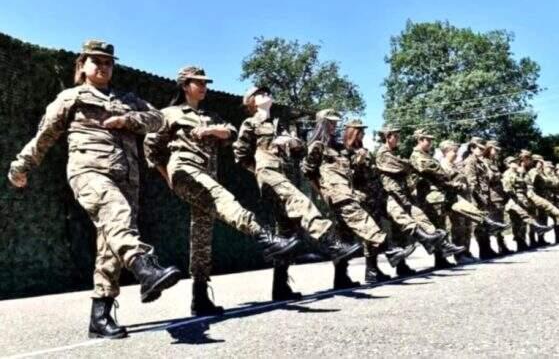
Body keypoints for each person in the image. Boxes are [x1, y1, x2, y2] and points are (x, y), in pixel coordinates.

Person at [8, 40, 181, 339]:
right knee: (117, 214)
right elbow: (44, 135)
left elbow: (160, 119)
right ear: (82, 65)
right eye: (96, 61)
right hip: (88, 172)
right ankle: (145, 266)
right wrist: (20, 167)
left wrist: (129, 119)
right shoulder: (71, 97)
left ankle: (99, 317)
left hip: (127, 179)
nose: (103, 66)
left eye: (108, 62)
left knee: (110, 242)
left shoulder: (127, 99)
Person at [144, 67, 300, 316]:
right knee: (224, 199)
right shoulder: (169, 114)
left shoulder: (211, 115)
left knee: (202, 236)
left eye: (205, 82)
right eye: (198, 83)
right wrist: (169, 177)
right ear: (185, 86)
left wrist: (211, 130)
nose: (204, 87)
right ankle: (265, 237)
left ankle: (200, 296)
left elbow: (232, 132)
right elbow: (151, 147)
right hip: (185, 171)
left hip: (207, 175)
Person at [232, 86, 360, 299]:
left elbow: (298, 153)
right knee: (301, 202)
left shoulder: (278, 125)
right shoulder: (251, 123)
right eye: (260, 93)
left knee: (286, 232)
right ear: (251, 101)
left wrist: (292, 142)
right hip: (268, 173)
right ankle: (332, 243)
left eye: (268, 92)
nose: (266, 94)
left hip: (283, 174)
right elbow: (240, 154)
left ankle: (280, 287)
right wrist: (259, 170)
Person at [302, 110, 412, 288]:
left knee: (344, 238)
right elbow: (309, 172)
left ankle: (341, 277)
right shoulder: (317, 146)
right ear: (321, 123)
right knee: (359, 227)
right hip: (336, 196)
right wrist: (323, 193)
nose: (334, 126)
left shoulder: (338, 147)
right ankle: (388, 250)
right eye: (330, 123)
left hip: (348, 194)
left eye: (335, 123)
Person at [375, 126, 465, 275]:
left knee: (421, 219)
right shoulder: (383, 153)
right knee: (401, 230)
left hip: (404, 196)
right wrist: (409, 165)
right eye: (396, 136)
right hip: (392, 196)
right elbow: (401, 167)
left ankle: (442, 244)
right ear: (387, 137)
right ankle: (401, 264)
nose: (399, 139)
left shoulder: (393, 153)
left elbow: (405, 167)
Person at [409, 132, 507, 268]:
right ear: (420, 140)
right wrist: (453, 184)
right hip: (432, 198)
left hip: (443, 196)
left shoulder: (431, 158)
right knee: (441, 228)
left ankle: (484, 224)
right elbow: (436, 175)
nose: (430, 143)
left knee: (448, 227)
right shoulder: (419, 157)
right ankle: (443, 258)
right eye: (428, 140)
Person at [343, 119, 416, 283]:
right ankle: (371, 271)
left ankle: (378, 268)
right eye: (359, 131)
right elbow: (346, 176)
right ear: (351, 132)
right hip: (363, 198)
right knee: (372, 235)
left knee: (383, 229)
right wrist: (356, 164)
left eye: (363, 131)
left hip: (376, 196)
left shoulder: (365, 150)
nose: (362, 134)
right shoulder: (345, 152)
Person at [502, 154, 553, 252]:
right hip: (514, 201)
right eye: (513, 162)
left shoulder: (518, 173)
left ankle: (523, 242)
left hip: (522, 200)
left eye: (516, 161)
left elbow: (526, 185)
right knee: (517, 222)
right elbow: (507, 189)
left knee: (522, 223)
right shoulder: (508, 174)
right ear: (508, 164)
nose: (516, 163)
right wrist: (515, 199)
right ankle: (520, 243)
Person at [481, 140, 513, 256]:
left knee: (500, 221)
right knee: (494, 222)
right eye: (495, 150)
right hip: (492, 196)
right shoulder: (485, 162)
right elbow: (488, 178)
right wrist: (499, 175)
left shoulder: (493, 162)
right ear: (489, 149)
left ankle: (501, 245)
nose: (497, 152)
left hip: (498, 195)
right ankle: (492, 247)